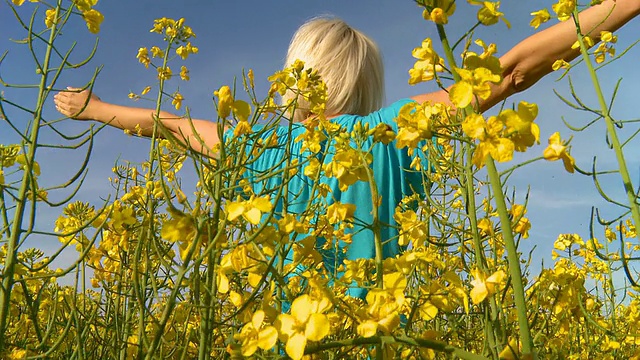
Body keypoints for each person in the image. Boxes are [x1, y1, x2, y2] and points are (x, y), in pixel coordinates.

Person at [54, 0, 640, 298]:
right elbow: (512, 72)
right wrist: (621, 5)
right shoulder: (394, 131)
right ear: (365, 82)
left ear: (296, 71)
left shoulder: (257, 146)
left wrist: (96, 108)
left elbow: (173, 125)